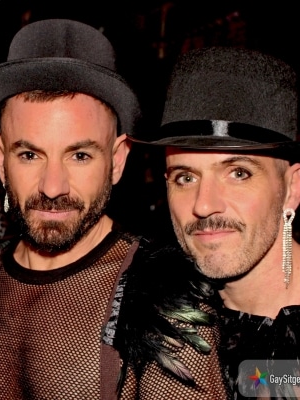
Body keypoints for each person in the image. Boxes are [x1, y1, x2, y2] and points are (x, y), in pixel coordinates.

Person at [0, 19, 228, 399]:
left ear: (117, 161)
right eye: (29, 155)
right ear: (1, 159)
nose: (53, 187)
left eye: (80, 155)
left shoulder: (164, 305)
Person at [131, 46, 300, 399]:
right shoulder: (149, 317)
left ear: (291, 189)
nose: (204, 205)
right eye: (185, 177)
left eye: (238, 173)